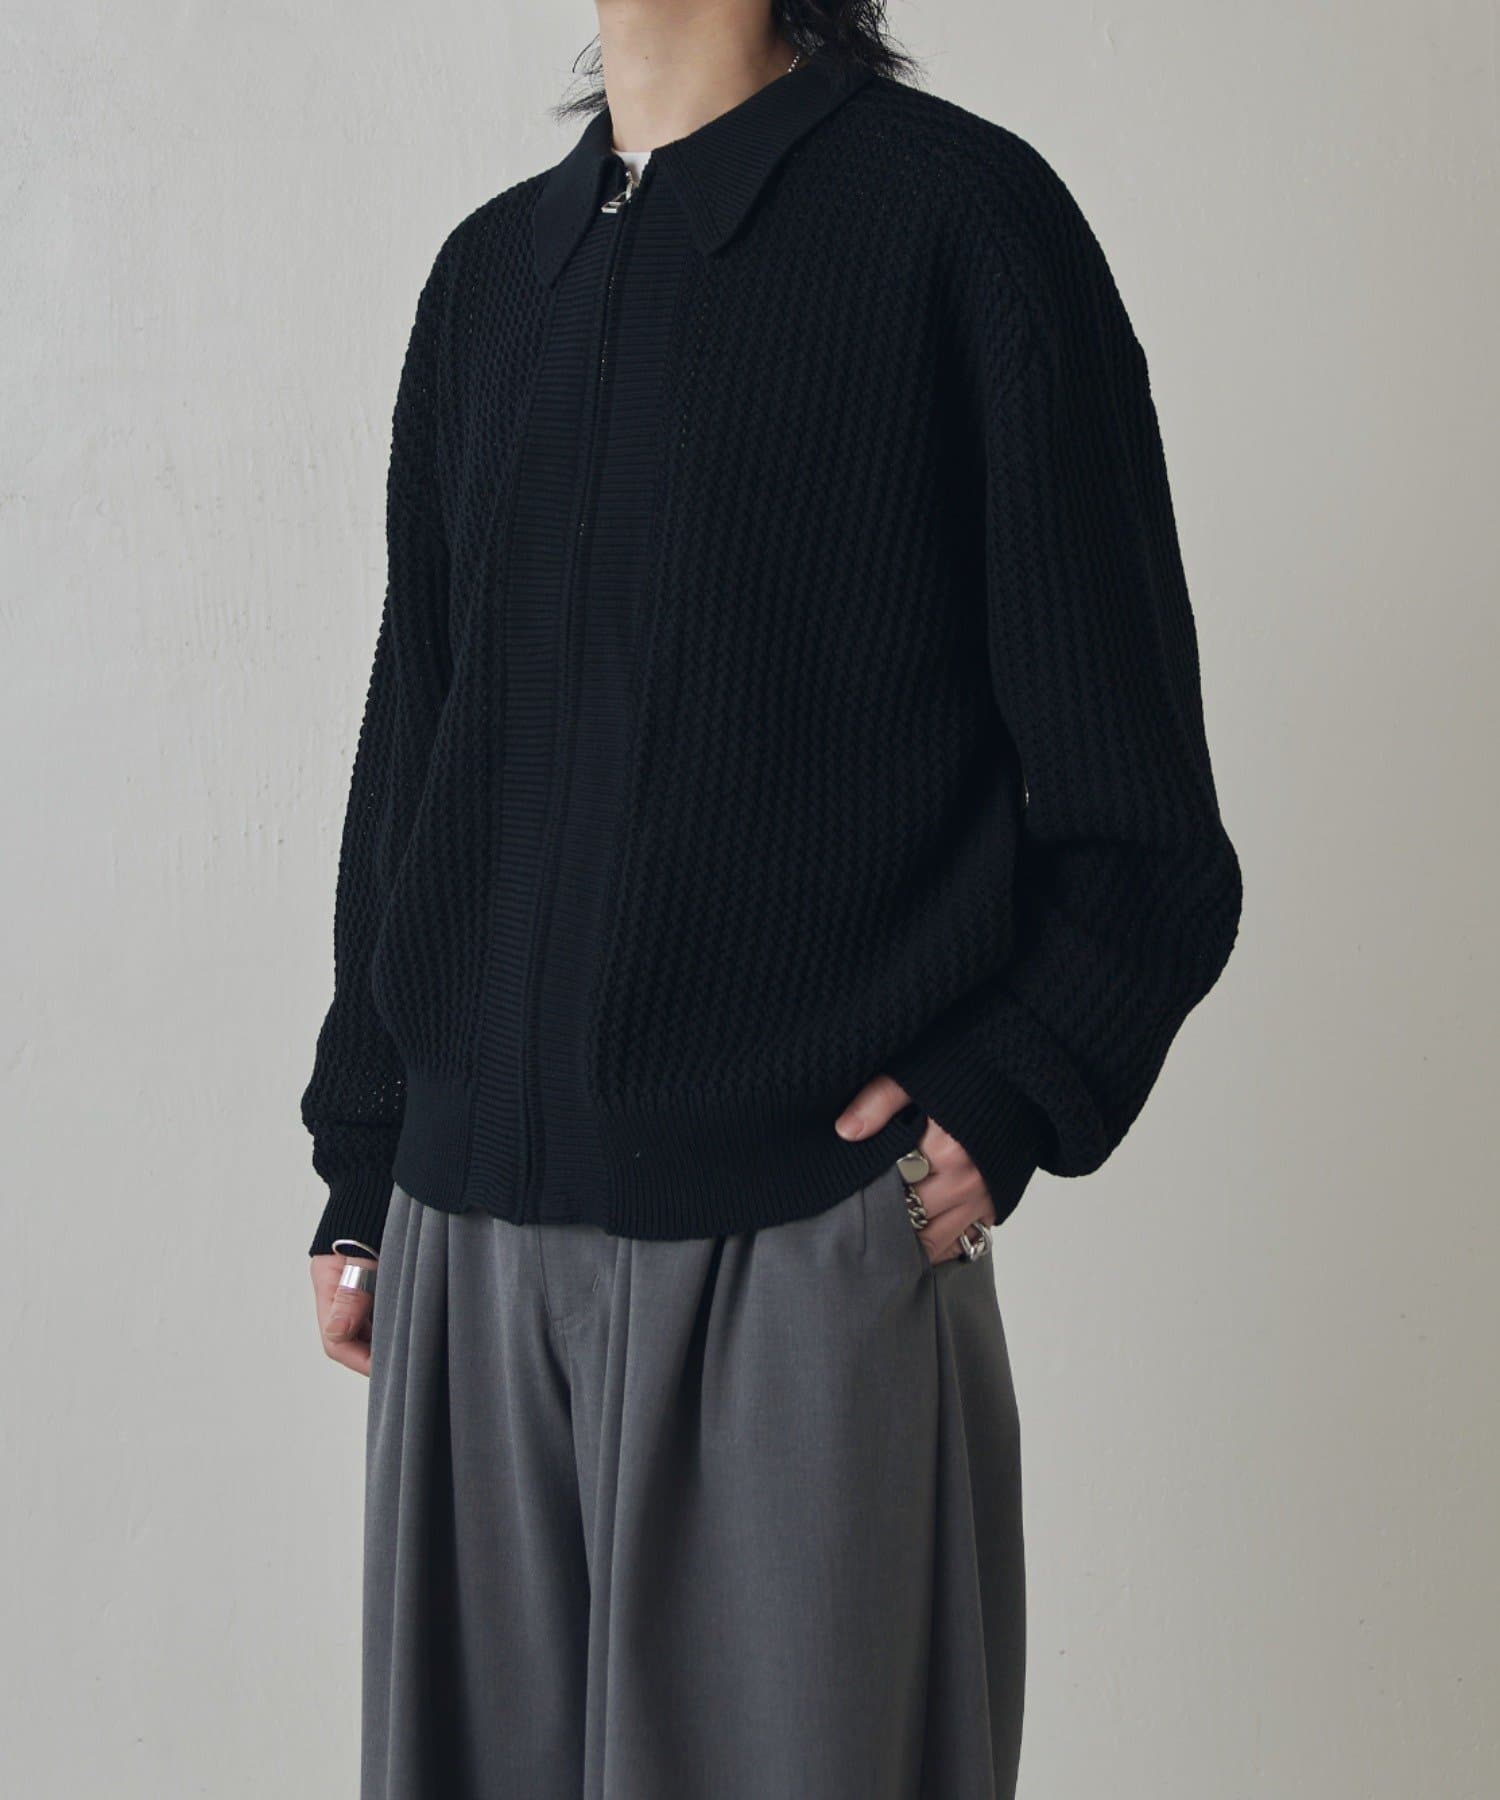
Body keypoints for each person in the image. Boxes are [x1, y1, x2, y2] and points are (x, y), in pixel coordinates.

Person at [302, 4, 1242, 1795]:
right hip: (463, 1255)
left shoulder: (961, 226)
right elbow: (418, 760)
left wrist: (1017, 1081)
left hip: (796, 1248)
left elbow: (1139, 808)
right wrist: (367, 1155)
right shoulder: (489, 281)